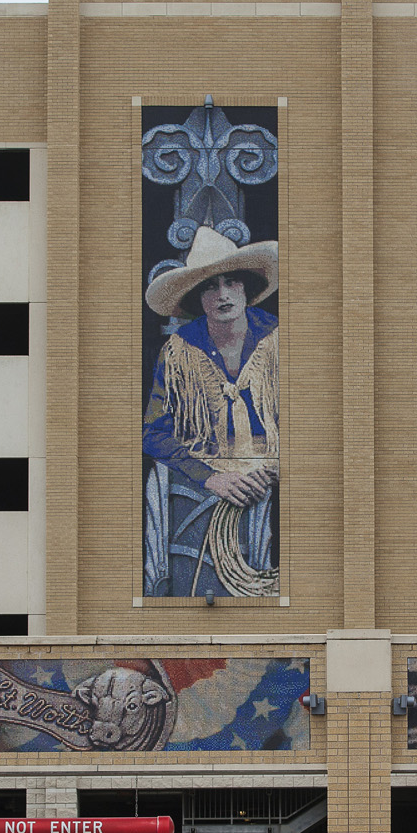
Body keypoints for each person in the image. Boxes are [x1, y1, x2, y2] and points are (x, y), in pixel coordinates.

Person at [142, 225, 279, 596]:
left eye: (231, 282)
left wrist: (272, 467)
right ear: (195, 298)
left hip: (276, 490)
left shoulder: (280, 340)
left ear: (246, 289)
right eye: (209, 286)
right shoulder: (179, 352)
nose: (222, 294)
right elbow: (153, 432)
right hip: (204, 494)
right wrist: (209, 477)